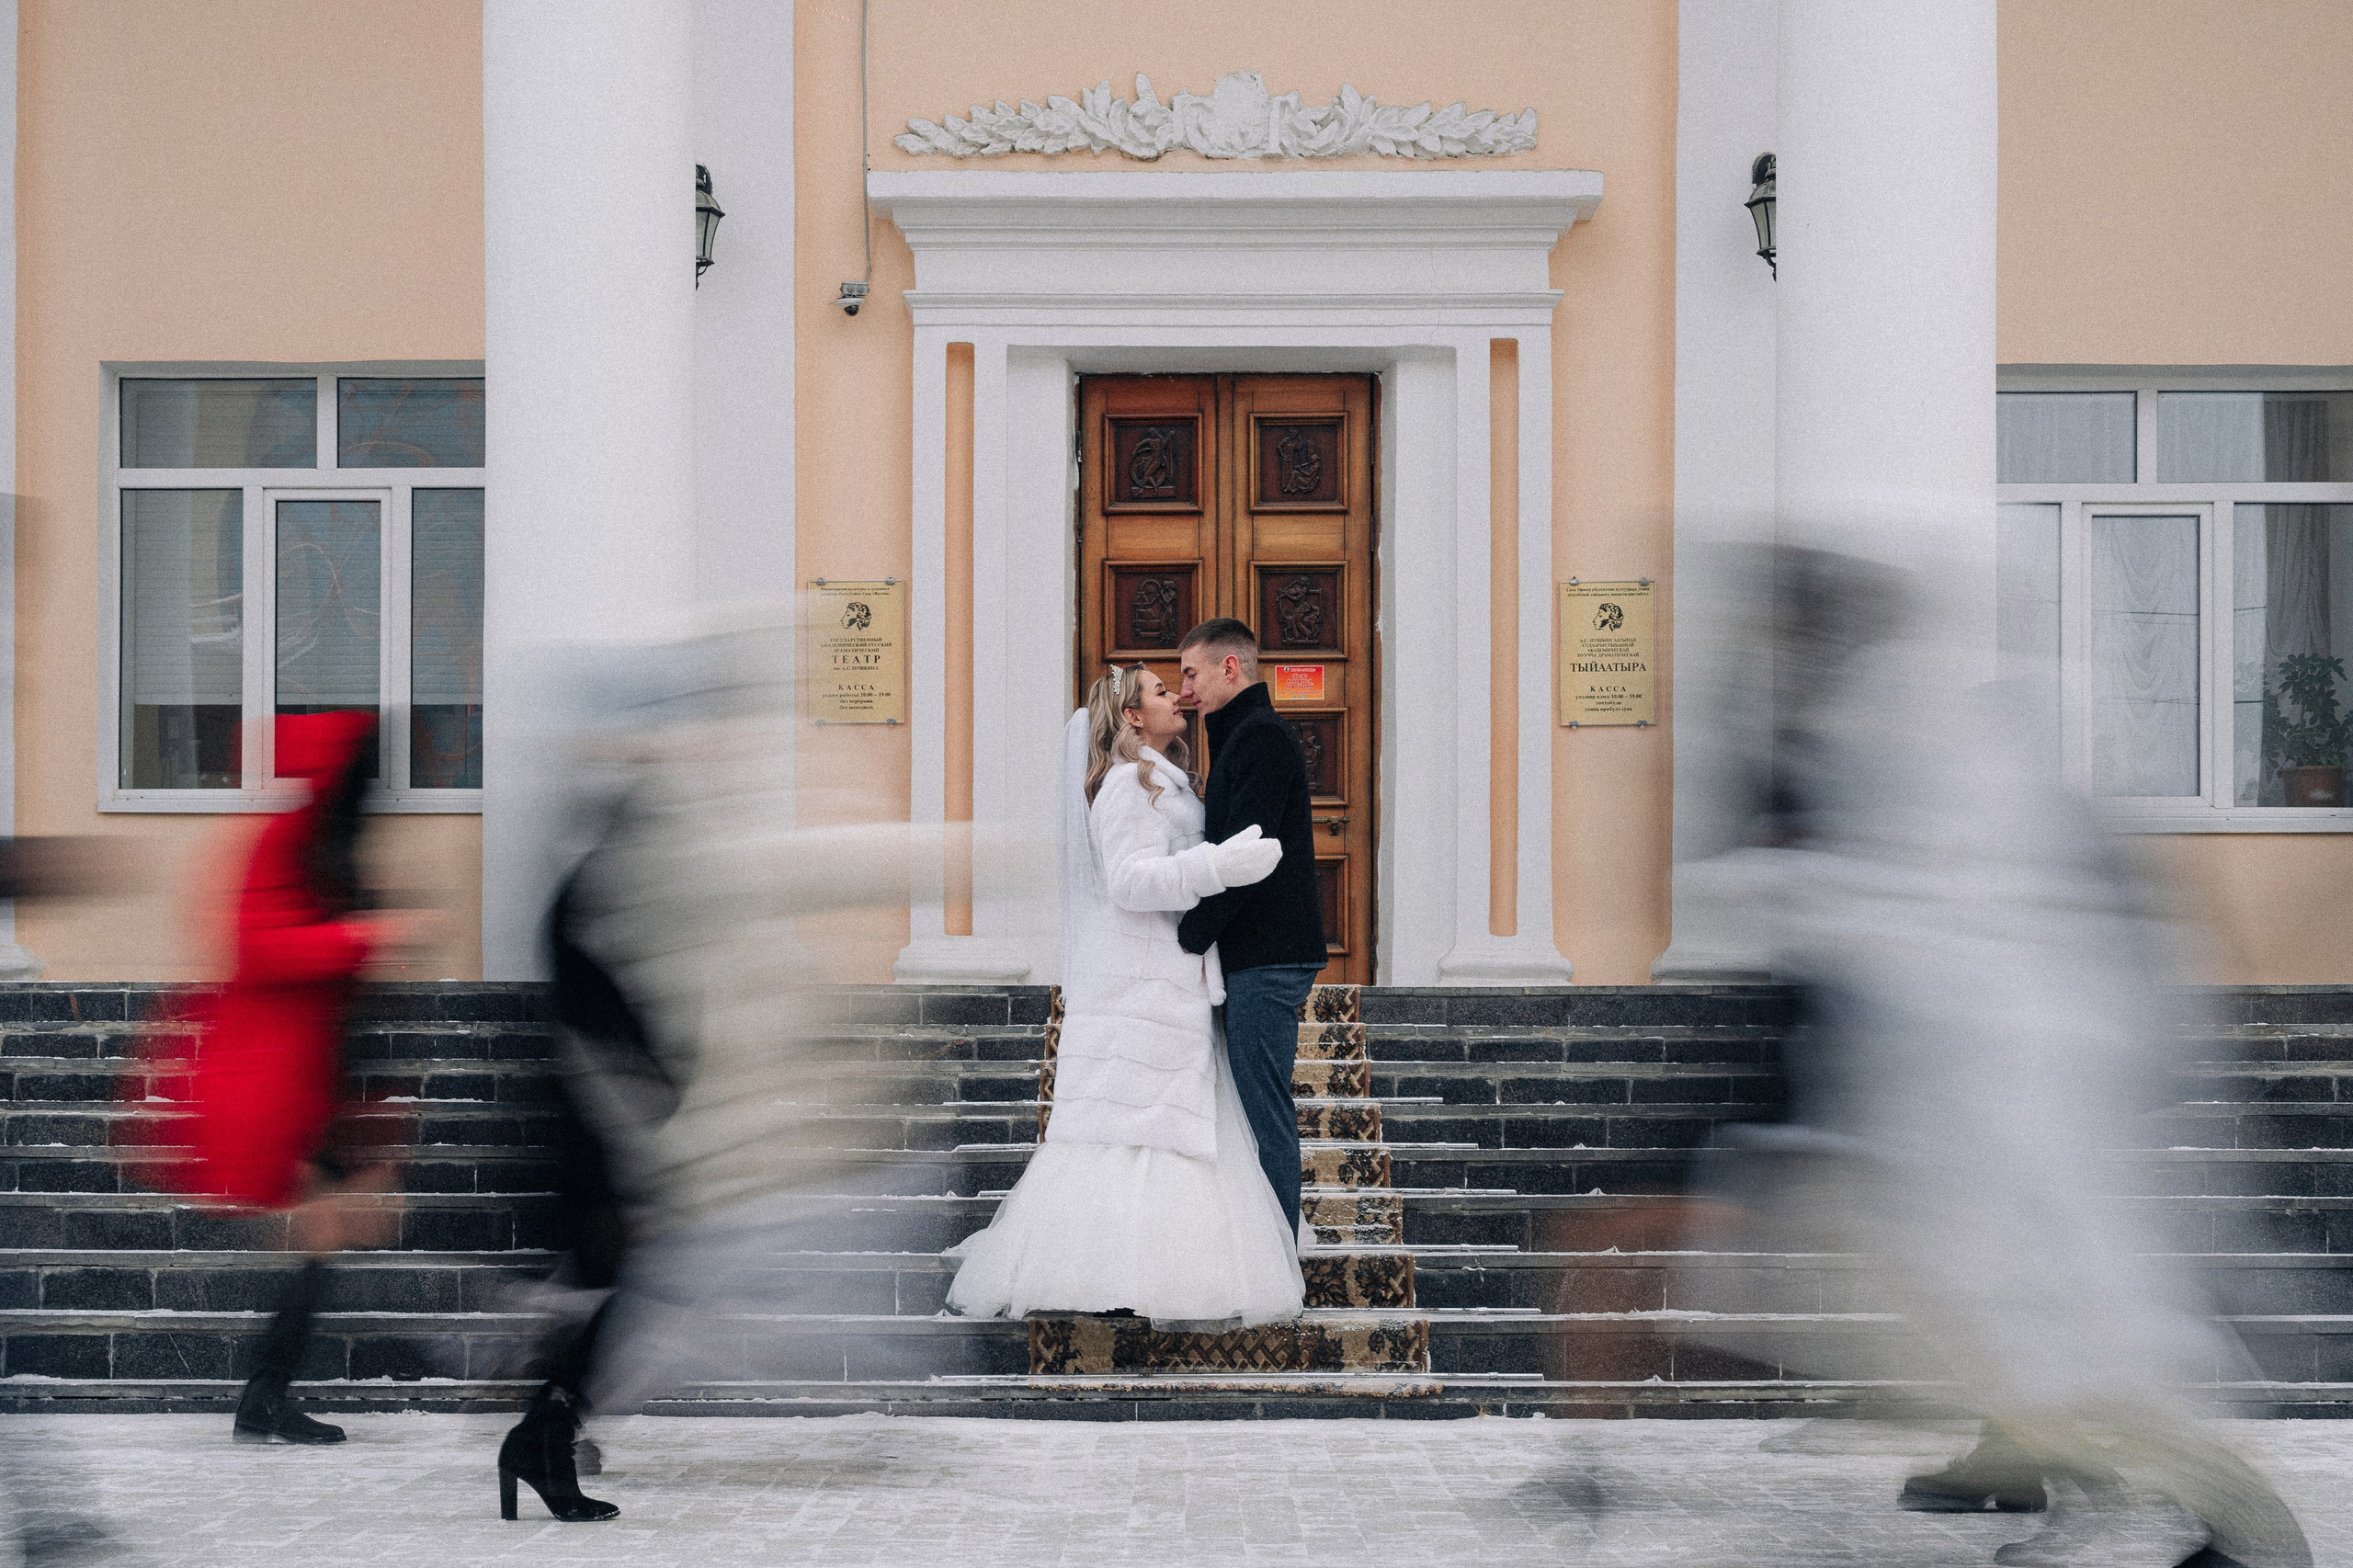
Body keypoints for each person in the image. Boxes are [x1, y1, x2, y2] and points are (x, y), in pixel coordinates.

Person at [947, 664, 1303, 1325]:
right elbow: (1131, 883)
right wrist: (1216, 867)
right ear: (1133, 716)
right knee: (1135, 1135)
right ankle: (1113, 1276)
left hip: (1166, 985)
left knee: (1165, 1135)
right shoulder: (1124, 785)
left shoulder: (1162, 781)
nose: (1177, 697)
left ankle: (1168, 1275)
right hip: (1140, 993)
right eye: (1161, 691)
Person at [140, 711, 427, 1445]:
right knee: (326, 1233)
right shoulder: (283, 839)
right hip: (280, 1066)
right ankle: (264, 1395)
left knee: (332, 1235)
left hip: (325, 1067)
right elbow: (259, 944)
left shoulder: (334, 848)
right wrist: (360, 936)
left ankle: (265, 1396)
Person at [1174, 619, 1327, 1245]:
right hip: (1254, 951)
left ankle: (1278, 1254)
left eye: (1192, 673)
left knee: (1263, 1109)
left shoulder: (1259, 737)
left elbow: (1250, 854)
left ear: (1229, 668)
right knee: (1252, 1106)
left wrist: (1190, 933)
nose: (1185, 690)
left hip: (1268, 954)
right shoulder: (1240, 735)